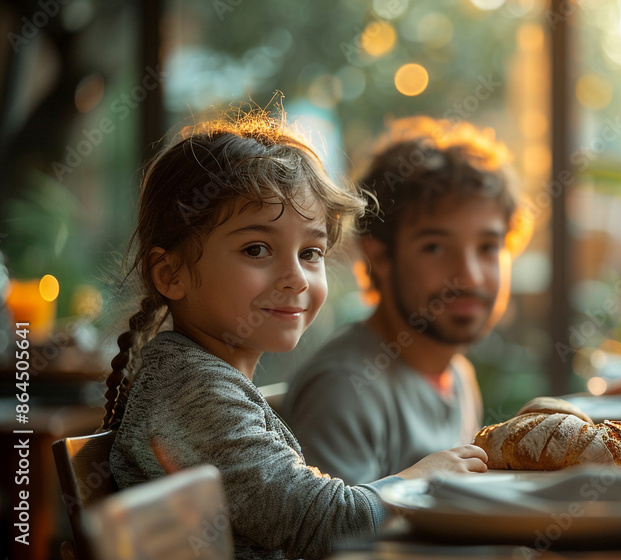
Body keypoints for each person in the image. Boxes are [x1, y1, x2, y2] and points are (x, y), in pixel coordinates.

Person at [103, 109, 487, 560]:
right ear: (171, 274)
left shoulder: (207, 383)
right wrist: (423, 480)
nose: (296, 278)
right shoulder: (194, 392)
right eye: (257, 249)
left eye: (310, 252)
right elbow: (327, 526)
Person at [285, 117, 518, 484]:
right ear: (379, 256)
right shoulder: (346, 388)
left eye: (488, 247)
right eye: (435, 247)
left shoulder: (457, 374)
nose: (470, 276)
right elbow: (336, 539)